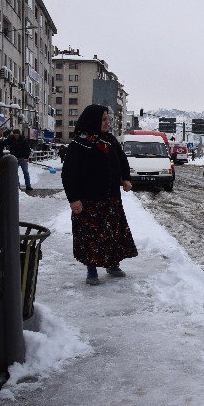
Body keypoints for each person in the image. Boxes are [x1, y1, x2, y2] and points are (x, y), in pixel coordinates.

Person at [61, 104, 138, 285]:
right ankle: (92, 269)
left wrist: (125, 178)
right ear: (93, 120)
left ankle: (112, 263)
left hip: (111, 199)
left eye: (108, 119)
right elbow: (68, 174)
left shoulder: (110, 141)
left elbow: (121, 160)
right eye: (103, 119)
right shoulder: (79, 144)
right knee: (91, 236)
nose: (107, 122)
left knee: (111, 233)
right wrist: (74, 199)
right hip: (89, 201)